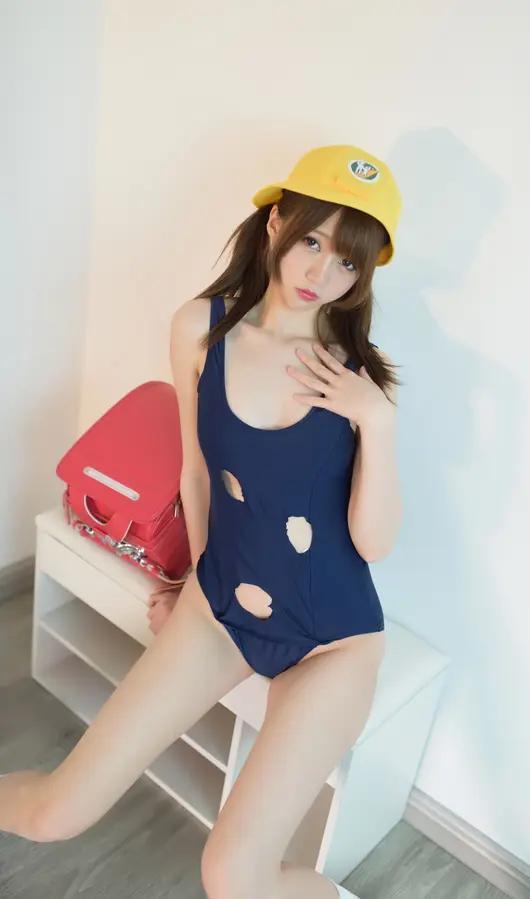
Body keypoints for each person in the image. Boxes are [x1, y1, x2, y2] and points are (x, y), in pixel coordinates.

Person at [1, 144, 403, 899]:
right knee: (57, 812)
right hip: (220, 605)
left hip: (333, 640)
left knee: (233, 875)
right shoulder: (202, 328)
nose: (322, 272)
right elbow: (196, 469)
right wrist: (192, 579)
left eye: (348, 261)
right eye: (312, 241)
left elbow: (372, 544)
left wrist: (377, 424)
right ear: (277, 221)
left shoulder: (355, 378)